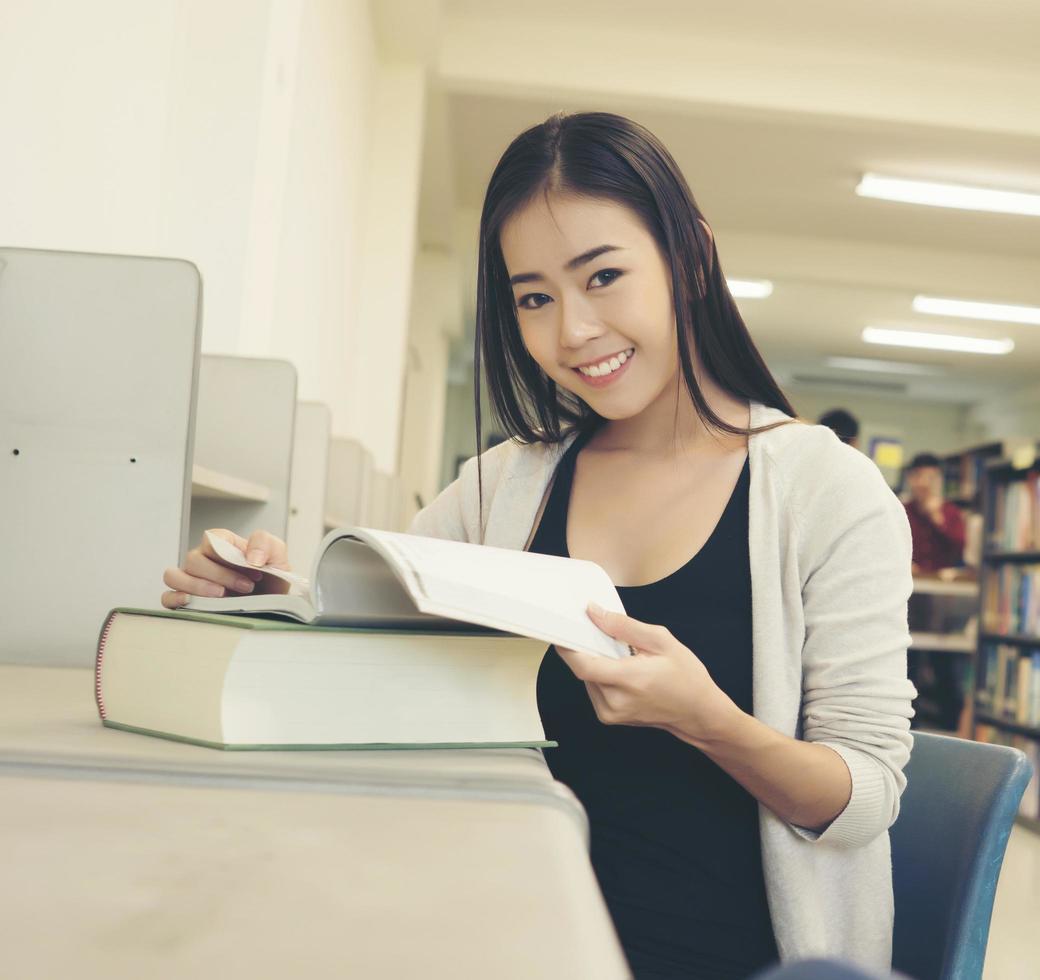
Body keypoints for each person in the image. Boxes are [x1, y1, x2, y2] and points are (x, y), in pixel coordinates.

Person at [159, 112, 916, 979]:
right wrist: (267, 594)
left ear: (691, 255)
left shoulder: (827, 491)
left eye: (603, 276)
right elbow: (370, 613)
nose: (574, 331)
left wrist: (705, 720)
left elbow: (863, 799)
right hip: (499, 927)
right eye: (534, 297)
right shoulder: (507, 483)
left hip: (718, 953)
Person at [904, 452, 966, 573]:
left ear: (939, 481)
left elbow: (960, 549)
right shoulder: (903, 511)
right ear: (910, 479)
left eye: (930, 478)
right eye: (918, 476)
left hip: (942, 583)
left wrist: (937, 518)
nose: (924, 484)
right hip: (910, 579)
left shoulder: (950, 511)